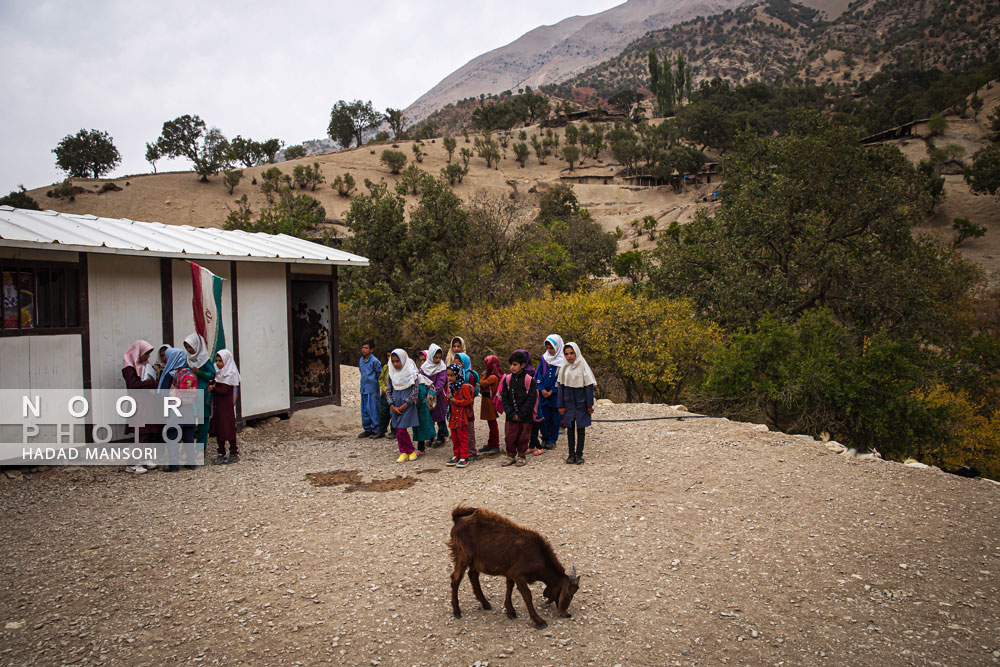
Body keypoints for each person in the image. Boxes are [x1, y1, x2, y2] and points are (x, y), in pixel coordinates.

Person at [121, 340, 157, 474]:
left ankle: (144, 459)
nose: (147, 357)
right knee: (141, 433)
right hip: (137, 404)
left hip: (147, 402)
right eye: (146, 354)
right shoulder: (129, 368)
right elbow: (133, 385)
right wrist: (151, 383)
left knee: (148, 432)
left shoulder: (144, 366)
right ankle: (132, 463)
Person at [558, 342, 596, 465]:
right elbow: (561, 387)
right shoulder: (564, 368)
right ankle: (571, 454)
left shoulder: (583, 367)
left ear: (576, 353)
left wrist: (589, 405)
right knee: (570, 429)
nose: (569, 356)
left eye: (571, 353)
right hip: (569, 404)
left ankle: (579, 454)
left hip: (581, 404)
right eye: (566, 354)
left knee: (581, 429)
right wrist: (561, 405)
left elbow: (589, 387)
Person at [157, 346, 191, 472]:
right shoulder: (189, 372)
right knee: (188, 435)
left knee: (173, 435)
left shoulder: (170, 374)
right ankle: (190, 462)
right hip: (189, 408)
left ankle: (174, 464)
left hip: (174, 409)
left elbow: (163, 393)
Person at [500, 350, 536, 467]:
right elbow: (504, 398)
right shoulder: (507, 380)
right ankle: (510, 455)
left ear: (522, 365)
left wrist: (521, 414)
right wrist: (511, 413)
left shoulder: (529, 380)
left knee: (523, 436)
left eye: (515, 365)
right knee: (510, 436)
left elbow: (531, 399)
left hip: (525, 416)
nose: (512, 367)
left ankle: (521, 455)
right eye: (511, 365)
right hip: (511, 416)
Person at [183, 333, 216, 459]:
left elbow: (212, 374)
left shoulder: (204, 359)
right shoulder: (187, 358)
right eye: (187, 347)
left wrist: (199, 372)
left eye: (190, 347)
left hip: (202, 392)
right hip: (190, 393)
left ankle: (201, 447)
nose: (189, 350)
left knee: (203, 421)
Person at [386, 348, 420, 462]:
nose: (395, 364)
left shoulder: (412, 373)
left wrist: (406, 403)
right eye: (393, 361)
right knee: (398, 429)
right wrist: (391, 405)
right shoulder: (391, 373)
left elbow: (415, 391)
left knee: (401, 429)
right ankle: (404, 451)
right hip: (395, 404)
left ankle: (410, 450)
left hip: (407, 404)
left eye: (398, 361)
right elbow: (388, 390)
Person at [208, 349, 240, 464]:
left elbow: (224, 391)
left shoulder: (230, 374)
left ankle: (233, 452)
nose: (218, 363)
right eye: (217, 360)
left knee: (229, 429)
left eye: (220, 361)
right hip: (217, 407)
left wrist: (213, 388)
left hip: (226, 408)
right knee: (219, 429)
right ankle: (221, 452)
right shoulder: (218, 372)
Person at [535, 334, 565, 452]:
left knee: (555, 418)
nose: (549, 350)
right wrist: (541, 389)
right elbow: (538, 375)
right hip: (543, 394)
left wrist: (552, 390)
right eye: (547, 348)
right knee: (544, 417)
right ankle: (545, 438)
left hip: (555, 395)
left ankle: (552, 440)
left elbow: (561, 378)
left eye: (551, 348)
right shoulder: (544, 359)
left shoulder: (562, 361)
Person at [421, 343, 450, 446]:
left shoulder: (442, 367)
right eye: (435, 357)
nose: (437, 360)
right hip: (427, 395)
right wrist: (426, 392)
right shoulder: (424, 367)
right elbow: (422, 379)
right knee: (430, 418)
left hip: (438, 396)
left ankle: (441, 437)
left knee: (440, 417)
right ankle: (430, 436)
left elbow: (442, 381)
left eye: (439, 357)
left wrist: (434, 392)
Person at [446, 362, 473, 468]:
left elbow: (468, 401)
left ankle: (464, 456)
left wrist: (455, 401)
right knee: (454, 436)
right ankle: (456, 454)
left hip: (461, 416)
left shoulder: (463, 387)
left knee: (462, 436)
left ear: (458, 374)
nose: (450, 378)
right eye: (448, 375)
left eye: (452, 375)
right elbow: (447, 400)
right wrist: (448, 398)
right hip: (453, 415)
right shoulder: (450, 386)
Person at [456, 352, 479, 458]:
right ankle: (464, 450)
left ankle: (471, 451)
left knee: (469, 427)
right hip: (459, 406)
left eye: (459, 363)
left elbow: (472, 392)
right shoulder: (456, 375)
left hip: (467, 406)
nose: (458, 366)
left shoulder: (468, 375)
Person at [358, 338, 382, 438]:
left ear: (371, 350)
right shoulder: (361, 360)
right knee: (364, 410)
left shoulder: (375, 361)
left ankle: (376, 429)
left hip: (373, 389)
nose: (364, 350)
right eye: (362, 348)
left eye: (366, 348)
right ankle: (367, 429)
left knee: (373, 409)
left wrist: (379, 387)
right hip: (364, 388)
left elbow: (379, 375)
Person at [412, 357, 437, 452]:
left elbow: (421, 394)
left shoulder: (419, 379)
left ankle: (421, 447)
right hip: (418, 406)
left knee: (422, 423)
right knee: (423, 423)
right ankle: (430, 436)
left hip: (422, 405)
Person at [479, 355, 502, 454]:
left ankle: (495, 444)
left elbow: (482, 383)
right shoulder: (491, 376)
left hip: (489, 402)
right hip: (486, 400)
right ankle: (490, 443)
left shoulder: (493, 377)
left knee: (492, 424)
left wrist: (482, 376)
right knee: (490, 423)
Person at [374, 351, 392, 439]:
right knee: (383, 412)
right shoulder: (386, 367)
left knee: (393, 413)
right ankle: (382, 430)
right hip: (385, 394)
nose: (389, 358)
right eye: (388, 356)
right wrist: (384, 389)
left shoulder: (399, 368)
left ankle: (394, 431)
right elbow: (381, 379)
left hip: (394, 394)